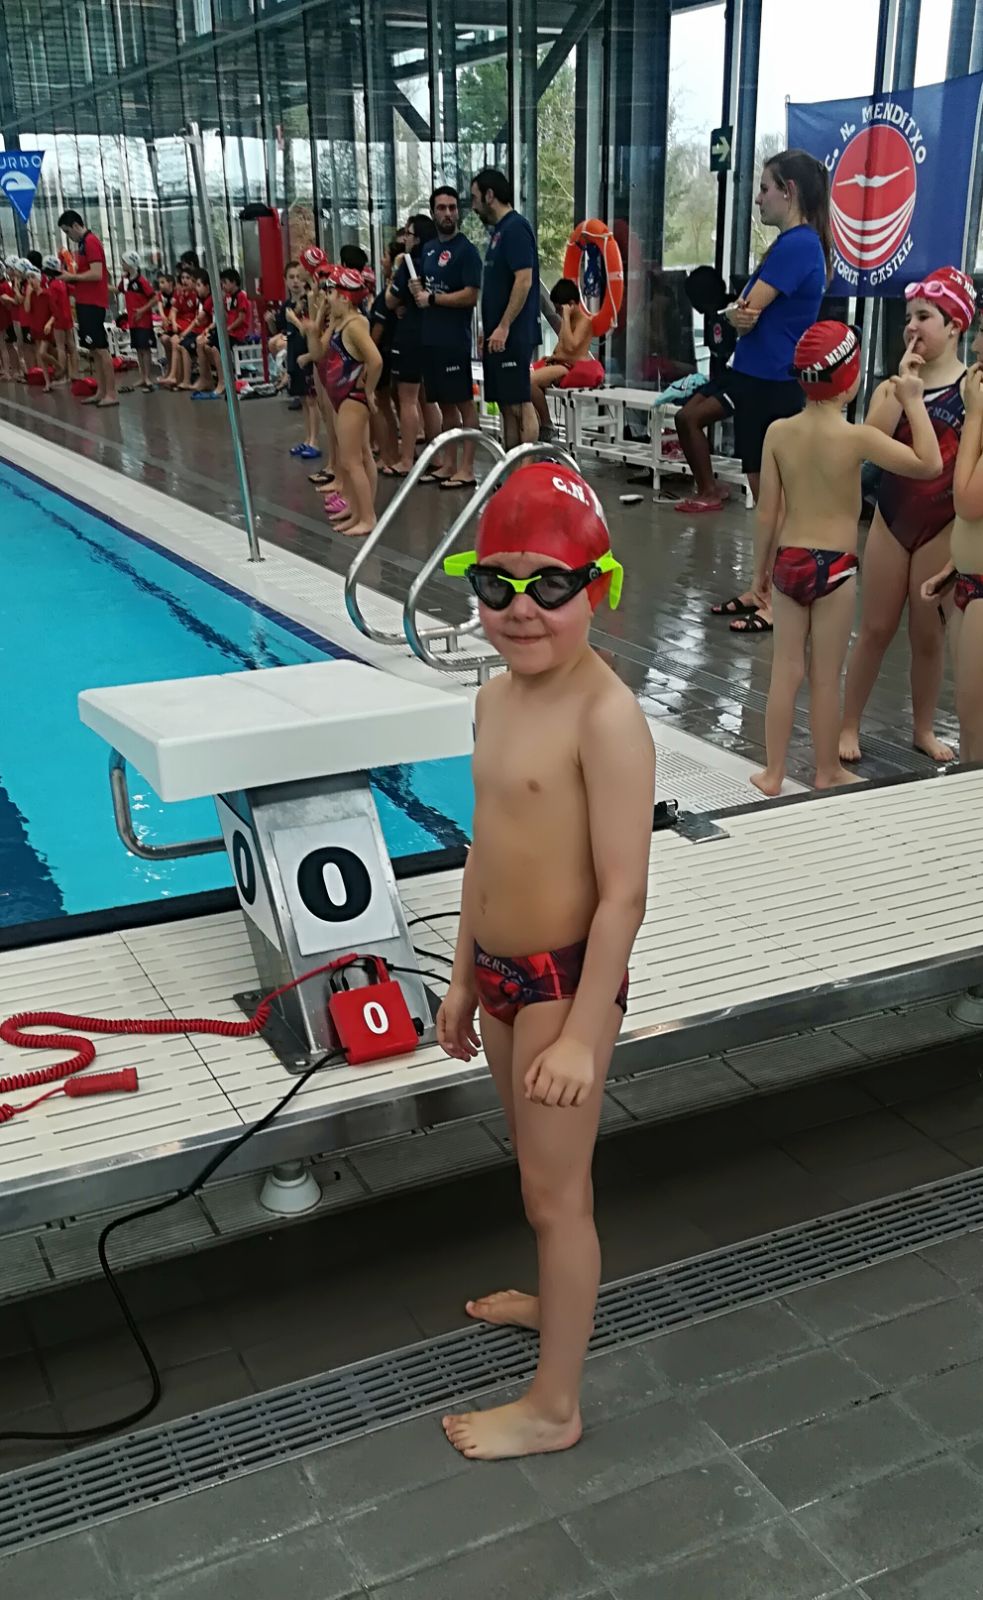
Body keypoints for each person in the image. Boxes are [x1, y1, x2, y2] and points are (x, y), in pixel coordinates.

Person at [436, 462, 653, 1461]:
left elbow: (623, 895)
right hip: (501, 976)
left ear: (597, 588)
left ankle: (554, 1406)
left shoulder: (605, 717)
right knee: (535, 1174)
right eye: (497, 584)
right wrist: (459, 974)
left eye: (549, 586)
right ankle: (552, 1301)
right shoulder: (492, 699)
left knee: (557, 1197)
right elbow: (484, 846)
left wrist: (579, 1034)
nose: (520, 609)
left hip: (566, 986)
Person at [750, 322, 944, 798]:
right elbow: (930, 464)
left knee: (785, 671)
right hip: (835, 567)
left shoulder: (778, 433)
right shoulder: (856, 438)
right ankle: (826, 771)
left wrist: (759, 574)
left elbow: (768, 512)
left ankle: (772, 773)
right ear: (851, 381)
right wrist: (913, 400)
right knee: (825, 677)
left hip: (789, 561)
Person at [839, 266, 977, 765]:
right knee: (875, 628)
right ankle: (847, 723)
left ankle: (922, 728)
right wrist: (903, 389)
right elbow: (869, 447)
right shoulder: (890, 388)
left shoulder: (971, 392)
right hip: (891, 521)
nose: (912, 326)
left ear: (955, 326)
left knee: (927, 634)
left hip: (941, 526)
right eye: (908, 318)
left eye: (924, 316)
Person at [705, 151, 830, 632]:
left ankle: (778, 598)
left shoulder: (798, 246)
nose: (758, 199)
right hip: (759, 380)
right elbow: (740, 311)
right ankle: (760, 587)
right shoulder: (787, 246)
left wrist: (740, 312)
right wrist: (739, 312)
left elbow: (747, 311)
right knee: (765, 501)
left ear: (788, 191)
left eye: (764, 188)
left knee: (777, 505)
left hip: (776, 384)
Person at [922, 328, 983, 761]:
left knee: (976, 721)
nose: (975, 346)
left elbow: (966, 501)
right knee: (968, 718)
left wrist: (973, 417)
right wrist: (952, 567)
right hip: (970, 581)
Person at [303, 266, 382, 536]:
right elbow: (318, 354)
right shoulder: (341, 323)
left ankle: (368, 517)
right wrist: (313, 329)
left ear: (345, 298)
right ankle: (358, 512)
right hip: (344, 396)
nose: (328, 297)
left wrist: (369, 390)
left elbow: (376, 360)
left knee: (352, 461)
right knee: (355, 459)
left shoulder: (356, 325)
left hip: (353, 398)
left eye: (332, 293)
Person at [413, 185, 483, 488]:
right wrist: (419, 294)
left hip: (454, 339)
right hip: (431, 338)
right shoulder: (428, 249)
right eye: (441, 208)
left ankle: (467, 469)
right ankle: (449, 464)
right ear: (433, 212)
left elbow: (470, 295)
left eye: (452, 208)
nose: (448, 213)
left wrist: (433, 299)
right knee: (445, 405)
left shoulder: (466, 251)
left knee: (464, 403)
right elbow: (424, 289)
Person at [471, 167, 540, 450]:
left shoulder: (515, 228)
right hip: (499, 334)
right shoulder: (499, 232)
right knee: (505, 406)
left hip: (513, 333)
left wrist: (504, 326)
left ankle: (527, 465)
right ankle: (512, 466)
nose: (473, 206)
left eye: (475, 198)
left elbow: (524, 280)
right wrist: (488, 329)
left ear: (490, 195)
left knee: (519, 403)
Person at [387, 214, 441, 475]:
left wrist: (395, 277)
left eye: (408, 234)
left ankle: (407, 459)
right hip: (431, 335)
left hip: (410, 336)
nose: (404, 239)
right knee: (428, 399)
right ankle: (437, 456)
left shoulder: (409, 266)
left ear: (417, 239)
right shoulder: (436, 264)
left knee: (407, 399)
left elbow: (390, 301)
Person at [531, 278, 604, 443]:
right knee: (521, 377)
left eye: (559, 309)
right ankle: (536, 422)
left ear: (570, 304)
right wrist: (553, 357)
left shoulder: (584, 322)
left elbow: (571, 347)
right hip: (559, 363)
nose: (557, 313)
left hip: (569, 366)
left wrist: (565, 317)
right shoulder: (569, 321)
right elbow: (561, 346)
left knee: (530, 381)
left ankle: (547, 424)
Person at [58, 209, 117, 407]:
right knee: (93, 349)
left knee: (100, 349)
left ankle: (111, 393)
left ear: (76, 225)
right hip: (85, 301)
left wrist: (73, 277)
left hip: (93, 303)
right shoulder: (83, 245)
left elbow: (97, 273)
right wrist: (70, 280)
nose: (68, 236)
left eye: (68, 231)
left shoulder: (91, 242)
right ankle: (101, 390)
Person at [369, 238, 401, 475]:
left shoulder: (388, 297)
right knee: (387, 405)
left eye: (386, 257)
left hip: (383, 354)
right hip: (387, 353)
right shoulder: (388, 295)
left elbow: (378, 330)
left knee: (381, 405)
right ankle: (390, 453)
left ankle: (389, 454)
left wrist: (367, 355)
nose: (382, 261)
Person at [117, 251, 157, 392]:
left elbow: (154, 298)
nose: (122, 264)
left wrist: (142, 310)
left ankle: (148, 377)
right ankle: (142, 376)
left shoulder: (141, 281)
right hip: (133, 321)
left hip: (143, 321)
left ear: (130, 263)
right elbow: (119, 290)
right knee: (139, 349)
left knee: (145, 349)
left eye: (124, 262)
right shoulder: (126, 280)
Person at [161, 265, 200, 389]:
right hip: (179, 325)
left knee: (174, 341)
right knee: (164, 339)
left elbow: (197, 319)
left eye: (188, 278)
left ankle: (175, 376)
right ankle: (172, 372)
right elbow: (173, 310)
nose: (184, 281)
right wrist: (173, 322)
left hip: (189, 327)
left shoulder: (196, 296)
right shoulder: (180, 294)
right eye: (183, 278)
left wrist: (183, 331)